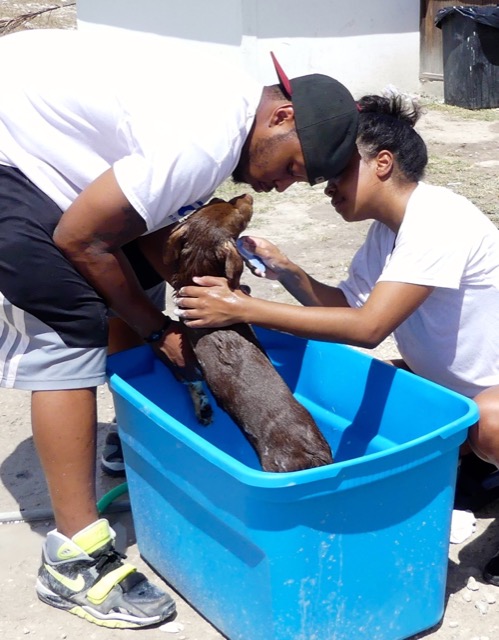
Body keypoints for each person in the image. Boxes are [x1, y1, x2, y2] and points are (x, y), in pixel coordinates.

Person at [0, 25, 359, 628]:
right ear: (283, 116)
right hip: (12, 149)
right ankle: (73, 557)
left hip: (40, 139)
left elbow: (138, 228)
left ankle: (135, 427)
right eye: (295, 167)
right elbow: (78, 237)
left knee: (130, 271)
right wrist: (155, 330)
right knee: (69, 325)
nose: (282, 184)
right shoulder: (206, 137)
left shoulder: (225, 111)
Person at [175, 93, 499, 587]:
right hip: (462, 386)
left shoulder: (439, 220)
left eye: (339, 173)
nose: (326, 187)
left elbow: (368, 329)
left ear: (384, 164)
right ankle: (478, 465)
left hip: (488, 394)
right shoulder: (389, 231)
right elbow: (345, 307)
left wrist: (240, 308)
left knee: (490, 425)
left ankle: (481, 457)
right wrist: (285, 270)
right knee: (387, 394)